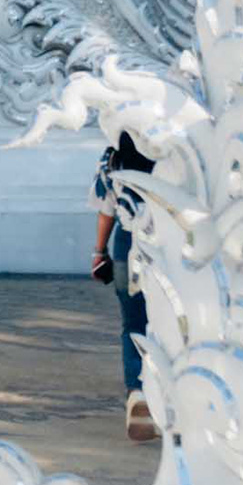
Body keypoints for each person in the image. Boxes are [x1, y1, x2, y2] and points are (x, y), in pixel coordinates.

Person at [96, 130, 156, 446]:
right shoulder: (173, 159)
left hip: (127, 243)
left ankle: (138, 391)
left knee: (133, 322)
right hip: (167, 247)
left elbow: (106, 210)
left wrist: (98, 252)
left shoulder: (113, 160)